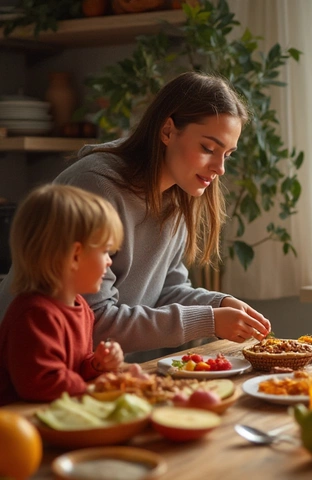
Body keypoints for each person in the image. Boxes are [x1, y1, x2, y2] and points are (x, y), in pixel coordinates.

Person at [0, 72, 271, 356]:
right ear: (167, 131)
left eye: (227, 154)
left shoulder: (178, 193)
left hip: (84, 367)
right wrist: (208, 320)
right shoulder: (97, 187)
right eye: (208, 148)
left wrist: (219, 304)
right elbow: (91, 323)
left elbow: (165, 290)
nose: (220, 168)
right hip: (23, 361)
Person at [0, 185, 125, 405]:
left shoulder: (81, 307)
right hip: (23, 428)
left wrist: (96, 364)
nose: (109, 261)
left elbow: (74, 367)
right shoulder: (35, 316)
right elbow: (42, 383)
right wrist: (100, 387)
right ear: (75, 256)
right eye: (105, 251)